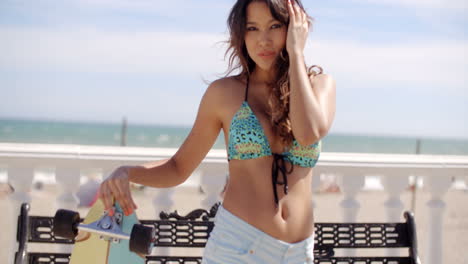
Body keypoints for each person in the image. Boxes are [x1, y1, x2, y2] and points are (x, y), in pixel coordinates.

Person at [98, 0, 336, 263]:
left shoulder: (319, 86)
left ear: (295, 28)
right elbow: (179, 167)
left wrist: (296, 55)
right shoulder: (223, 94)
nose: (263, 40)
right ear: (240, 34)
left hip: (299, 252)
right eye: (252, 28)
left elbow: (307, 133)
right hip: (237, 247)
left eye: (275, 26)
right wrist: (127, 172)